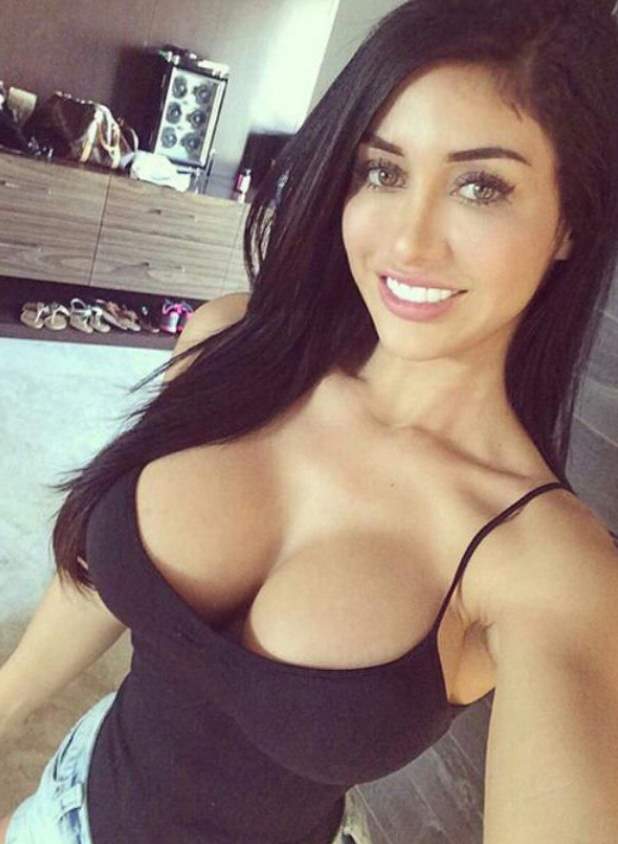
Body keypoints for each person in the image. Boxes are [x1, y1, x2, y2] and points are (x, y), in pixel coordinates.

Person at [2, 0, 618, 841]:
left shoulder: (548, 564)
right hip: (64, 803)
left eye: (480, 186)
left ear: (571, 220)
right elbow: (100, 580)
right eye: (383, 172)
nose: (408, 242)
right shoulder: (230, 344)